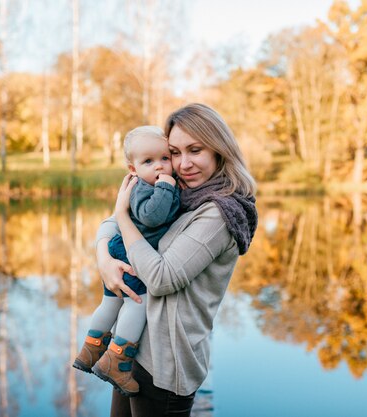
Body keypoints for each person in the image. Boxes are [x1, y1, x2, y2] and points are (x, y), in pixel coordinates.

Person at [95, 103, 258, 417]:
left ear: (219, 150)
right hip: (131, 352)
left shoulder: (218, 212)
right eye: (174, 152)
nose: (183, 164)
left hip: (166, 366)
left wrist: (123, 218)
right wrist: (103, 255)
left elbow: (161, 278)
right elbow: (113, 221)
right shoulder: (178, 192)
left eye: (195, 150)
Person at [73, 126, 180, 396]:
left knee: (111, 301)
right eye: (148, 162)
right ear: (132, 168)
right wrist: (167, 186)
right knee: (137, 302)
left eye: (165, 159)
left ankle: (90, 350)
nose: (159, 167)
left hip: (119, 248)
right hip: (130, 253)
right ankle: (117, 360)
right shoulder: (146, 188)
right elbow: (152, 217)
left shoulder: (145, 183)